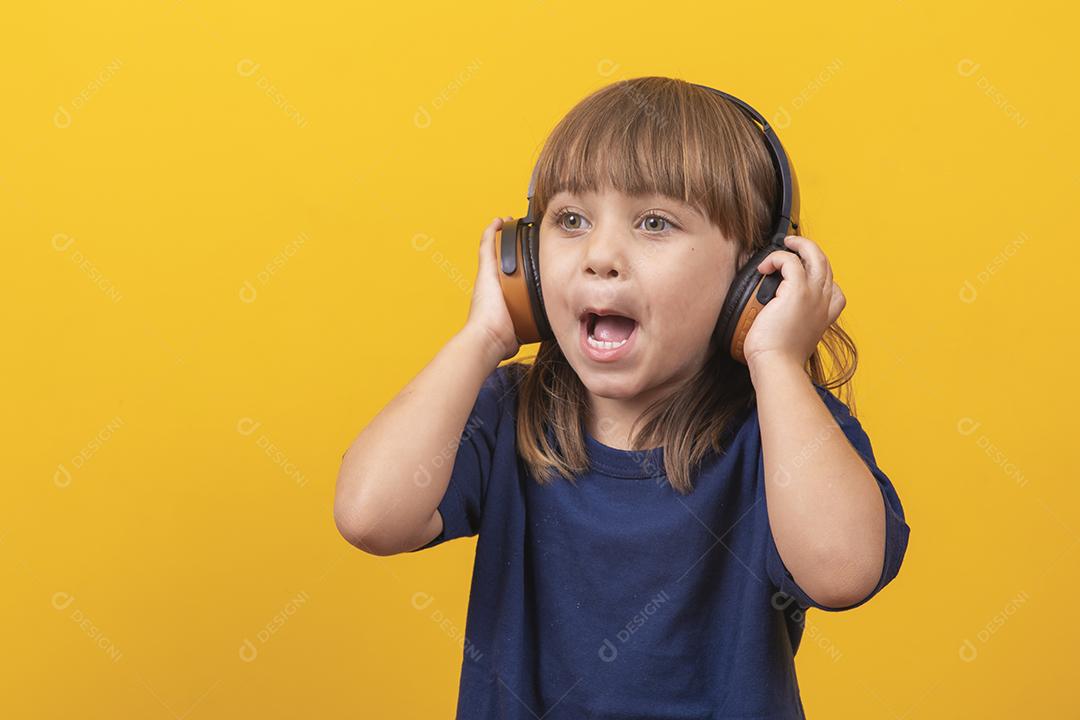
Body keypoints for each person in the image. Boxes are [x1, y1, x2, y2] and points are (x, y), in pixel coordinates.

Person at [334, 76, 911, 719]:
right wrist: (484, 335)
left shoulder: (780, 430)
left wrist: (774, 358)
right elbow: (369, 515)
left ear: (754, 277)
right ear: (523, 259)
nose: (600, 256)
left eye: (654, 222)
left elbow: (842, 573)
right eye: (571, 220)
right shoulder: (507, 415)